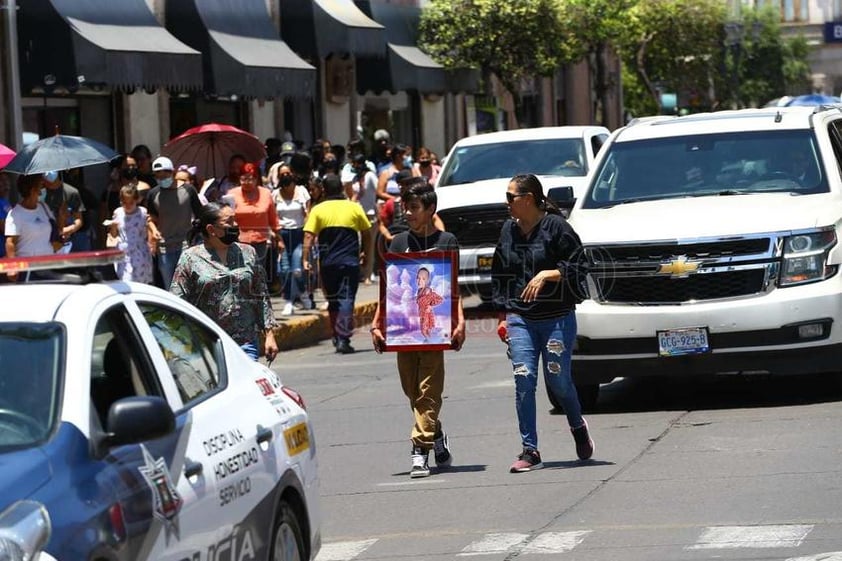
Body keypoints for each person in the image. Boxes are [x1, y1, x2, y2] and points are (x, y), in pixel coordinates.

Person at [490, 173, 594, 473]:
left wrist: (549, 273)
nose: (507, 202)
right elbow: (500, 274)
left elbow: (580, 264)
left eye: (511, 197)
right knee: (523, 381)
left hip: (556, 318)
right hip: (520, 318)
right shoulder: (508, 230)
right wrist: (502, 316)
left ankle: (577, 425)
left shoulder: (556, 227)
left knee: (558, 382)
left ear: (529, 199)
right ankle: (530, 450)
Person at [370, 181, 466, 478]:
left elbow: (453, 288)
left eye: (414, 208)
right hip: (403, 330)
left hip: (435, 330)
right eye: (405, 208)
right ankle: (436, 435)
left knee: (429, 391)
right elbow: (388, 290)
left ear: (430, 210)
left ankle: (420, 449)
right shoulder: (398, 243)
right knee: (412, 391)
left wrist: (460, 321)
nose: (408, 213)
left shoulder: (447, 240)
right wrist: (377, 323)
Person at [170, 202, 279, 362]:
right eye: (228, 222)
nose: (234, 225)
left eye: (235, 220)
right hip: (209, 344)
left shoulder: (248, 253)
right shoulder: (190, 258)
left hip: (245, 341)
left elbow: (260, 295)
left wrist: (269, 334)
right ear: (211, 229)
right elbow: (178, 301)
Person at [302, 173, 371, 354]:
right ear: (341, 188)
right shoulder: (354, 208)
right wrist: (365, 253)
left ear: (324, 190)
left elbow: (309, 235)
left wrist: (304, 258)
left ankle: (337, 335)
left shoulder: (318, 210)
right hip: (350, 262)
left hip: (327, 264)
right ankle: (343, 338)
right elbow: (367, 233)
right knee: (346, 298)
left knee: (333, 300)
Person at [146, 156, 204, 289]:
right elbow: (151, 219)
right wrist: (154, 232)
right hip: (165, 247)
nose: (161, 179)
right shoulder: (153, 194)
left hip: (186, 245)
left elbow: (200, 215)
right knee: (170, 286)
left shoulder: (188, 190)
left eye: (164, 175)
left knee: (189, 284)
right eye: (158, 176)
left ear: (172, 172)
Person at [228, 162, 283, 286]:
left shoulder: (265, 193)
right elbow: (226, 216)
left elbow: (273, 218)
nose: (247, 182)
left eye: (250, 179)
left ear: (256, 179)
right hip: (239, 240)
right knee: (241, 272)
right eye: (243, 179)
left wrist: (279, 238)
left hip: (260, 241)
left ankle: (256, 300)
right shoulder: (232, 194)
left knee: (257, 272)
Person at [4, 174, 61, 282]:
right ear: (32, 188)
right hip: (28, 270)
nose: (43, 185)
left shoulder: (44, 207)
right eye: (40, 183)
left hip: (49, 266)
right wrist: (12, 266)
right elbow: (10, 242)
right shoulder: (16, 214)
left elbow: (55, 232)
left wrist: (62, 218)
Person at [271, 163, 311, 314]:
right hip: (282, 234)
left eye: (288, 173)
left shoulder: (302, 191)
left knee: (297, 269)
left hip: (298, 233)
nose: (286, 176)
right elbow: (273, 216)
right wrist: (276, 236)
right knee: (284, 270)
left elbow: (308, 214)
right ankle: (288, 300)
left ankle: (303, 293)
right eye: (282, 174)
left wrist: (309, 235)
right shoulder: (275, 194)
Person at [107, 183, 154, 283]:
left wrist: (151, 243)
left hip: (141, 252)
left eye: (131, 202)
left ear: (137, 200)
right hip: (124, 252)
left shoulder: (143, 212)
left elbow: (149, 228)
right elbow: (114, 235)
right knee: (126, 281)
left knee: (142, 283)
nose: (127, 206)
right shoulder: (118, 213)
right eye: (124, 203)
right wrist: (113, 227)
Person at [344, 153, 378, 284]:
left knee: (370, 246)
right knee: (356, 244)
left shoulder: (370, 176)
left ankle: (368, 275)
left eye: (355, 164)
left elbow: (377, 190)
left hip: (369, 213)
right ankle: (357, 272)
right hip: (356, 214)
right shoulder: (354, 178)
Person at [42, 170, 84, 252]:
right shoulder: (40, 195)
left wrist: (68, 230)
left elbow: (79, 220)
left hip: (69, 242)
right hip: (47, 243)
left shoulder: (71, 192)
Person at [0, 172, 12, 258]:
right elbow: (4, 228)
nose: (6, 183)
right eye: (2, 180)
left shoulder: (6, 202)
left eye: (7, 179)